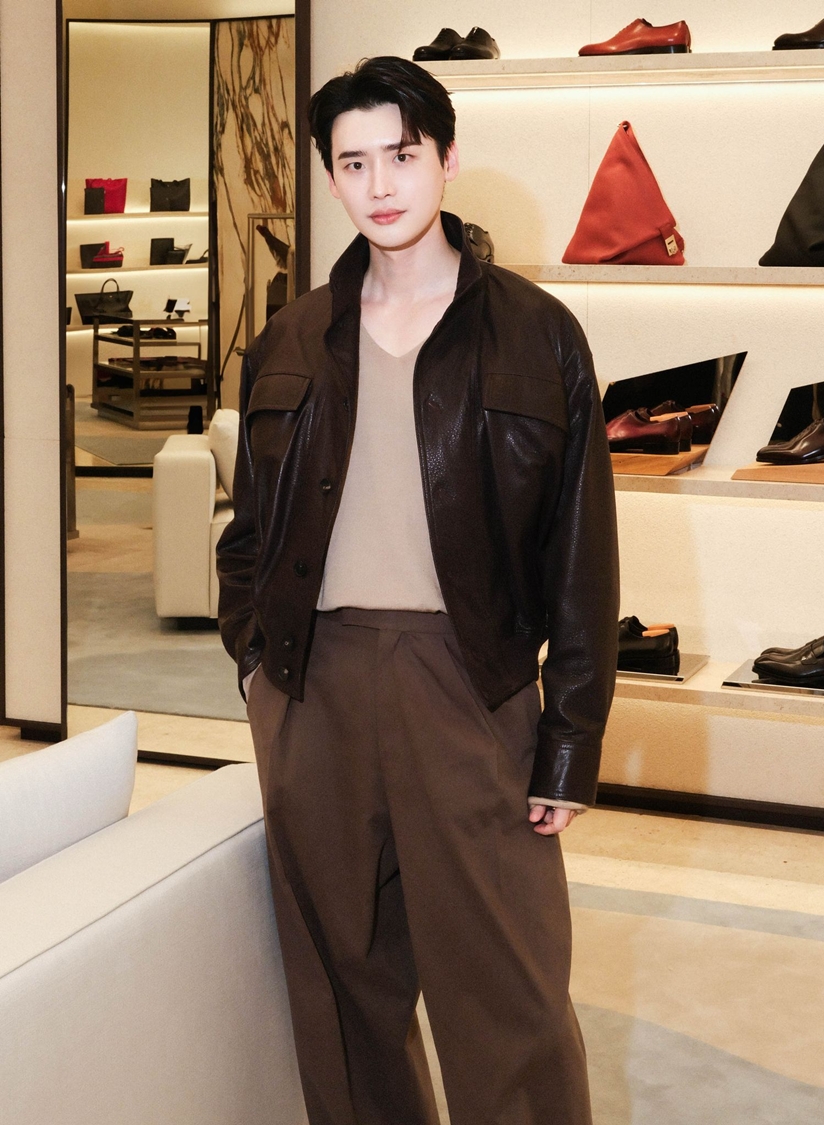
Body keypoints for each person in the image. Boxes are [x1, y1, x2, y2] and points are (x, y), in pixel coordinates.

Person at [217, 54, 619, 1125]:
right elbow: (248, 529)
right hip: (315, 687)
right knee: (343, 990)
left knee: (510, 993)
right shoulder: (293, 334)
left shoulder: (538, 334)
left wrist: (570, 742)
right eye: (354, 163)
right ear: (330, 178)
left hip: (469, 686)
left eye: (401, 154)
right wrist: (257, 666)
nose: (380, 183)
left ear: (446, 159)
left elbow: (583, 555)